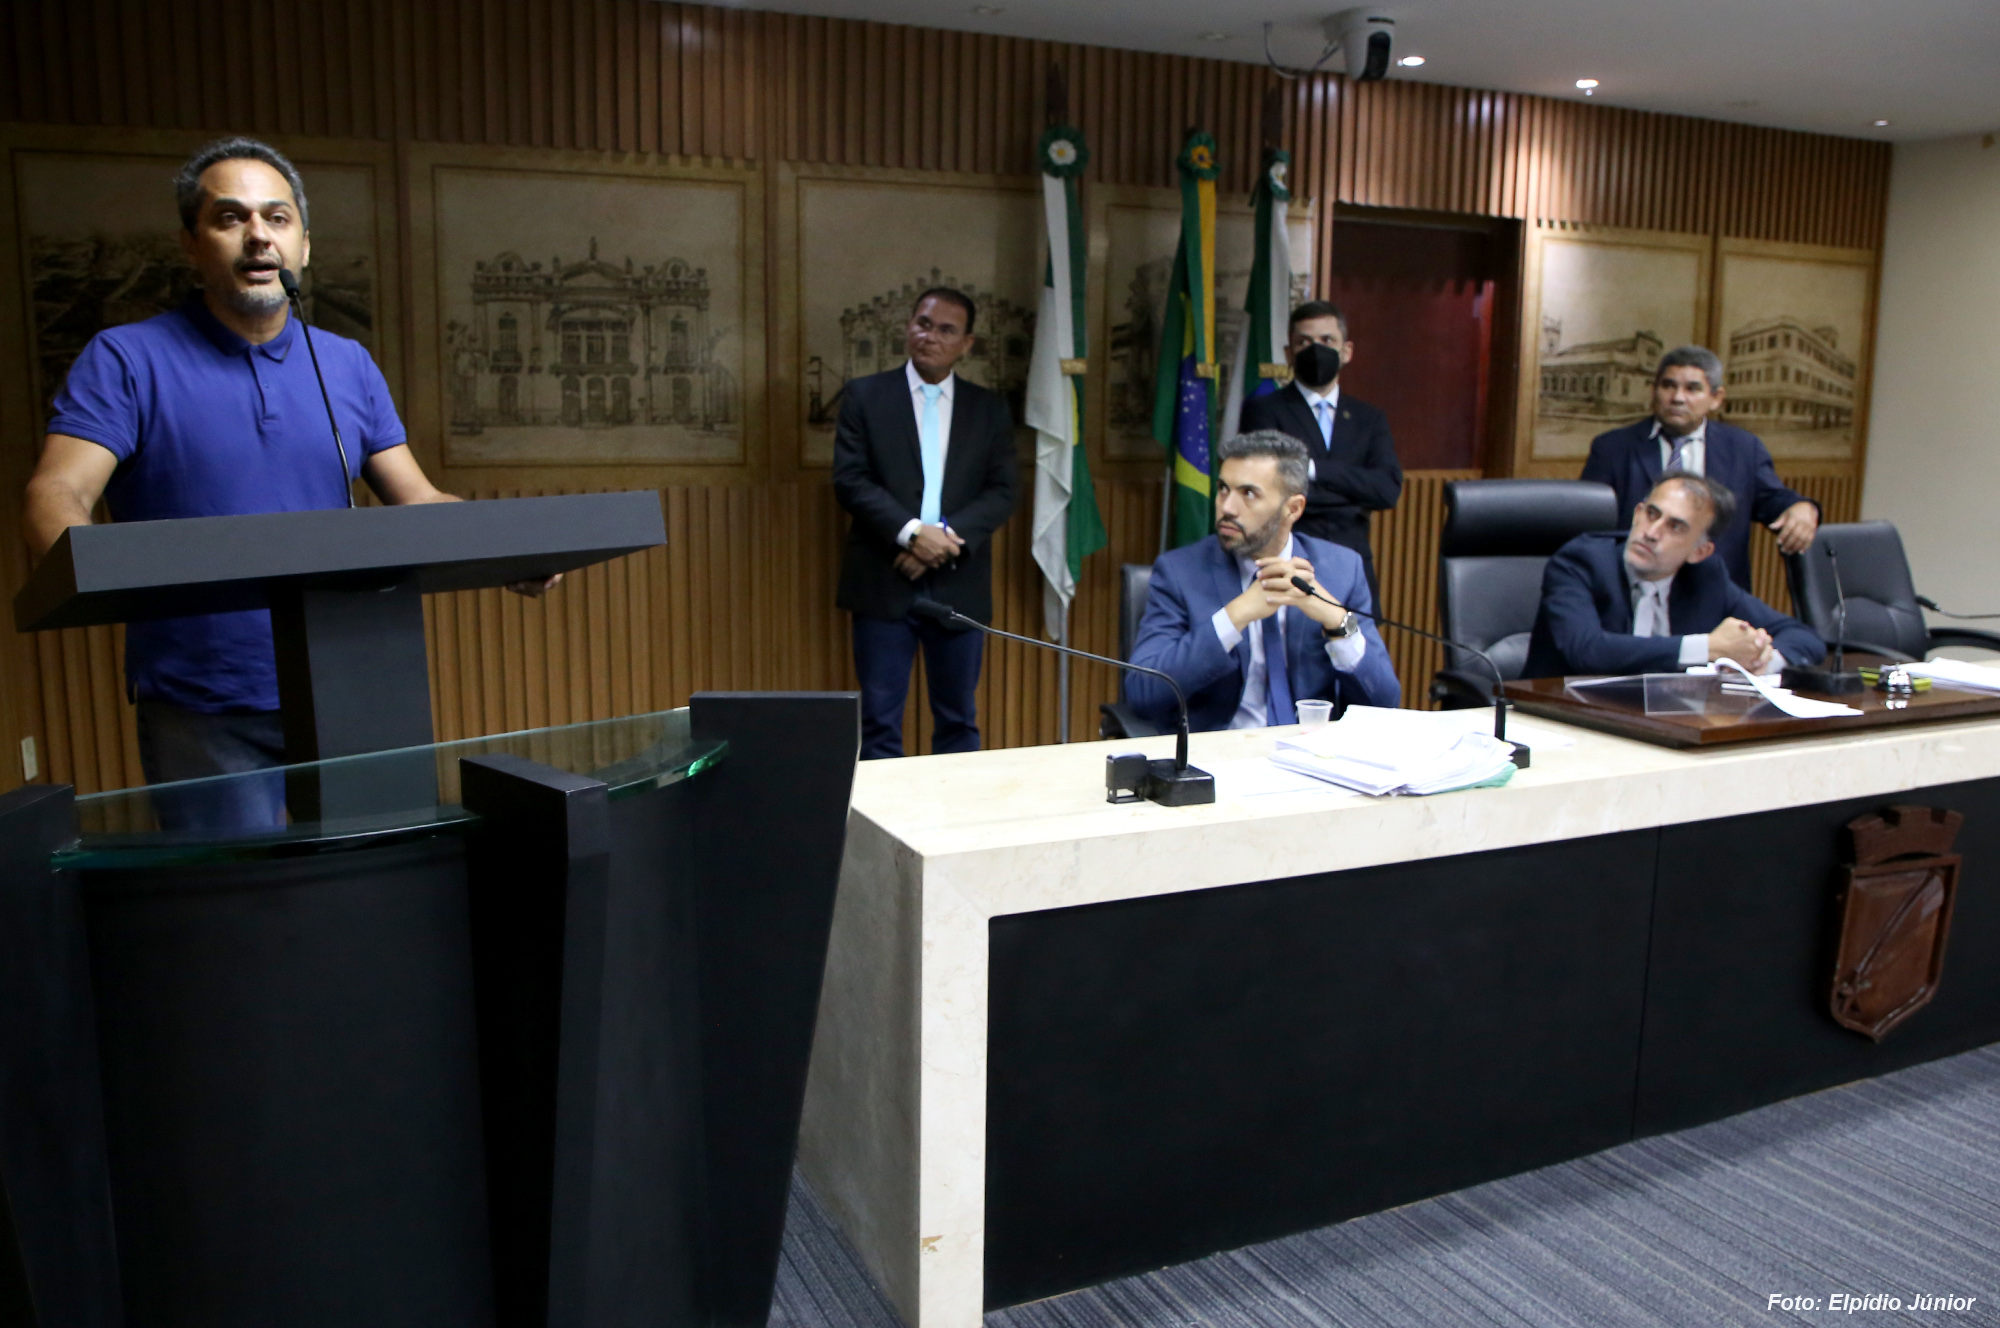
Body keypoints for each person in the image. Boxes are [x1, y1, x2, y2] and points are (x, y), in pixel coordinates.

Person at [20, 137, 549, 792]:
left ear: (302, 246)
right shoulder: (125, 359)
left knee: (380, 860)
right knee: (235, 867)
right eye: (229, 217)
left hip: (350, 679)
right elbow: (56, 489)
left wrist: (507, 548)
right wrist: (90, 571)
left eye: (277, 217)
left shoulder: (347, 364)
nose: (258, 236)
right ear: (190, 245)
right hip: (203, 703)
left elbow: (418, 501)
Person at [831, 288, 1019, 759]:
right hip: (883, 578)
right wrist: (914, 535)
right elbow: (851, 480)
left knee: (959, 719)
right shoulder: (865, 396)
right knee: (878, 722)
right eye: (923, 323)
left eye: (946, 330)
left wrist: (943, 542)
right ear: (908, 326)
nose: (929, 336)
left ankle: (957, 810)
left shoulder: (988, 408)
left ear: (967, 343)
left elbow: (1002, 491)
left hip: (959, 583)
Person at [1123, 430, 1401, 732]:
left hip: (1310, 751)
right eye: (1223, 489)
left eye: (1248, 494)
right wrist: (1235, 615)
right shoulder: (1180, 572)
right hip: (1220, 751)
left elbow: (1384, 702)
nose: (1227, 507)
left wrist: (1336, 620)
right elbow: (1143, 692)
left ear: (1293, 508)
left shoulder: (1342, 570)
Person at [1523, 472, 1824, 679]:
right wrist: (1710, 648)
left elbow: (1804, 637)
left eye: (1675, 526)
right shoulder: (1580, 563)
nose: (1652, 533)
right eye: (1651, 514)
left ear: (1700, 552)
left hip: (1666, 722)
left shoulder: (1707, 577)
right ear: (1637, 513)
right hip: (1563, 721)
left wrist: (1761, 660)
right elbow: (1588, 650)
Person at [1580, 344, 1818, 591]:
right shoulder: (1613, 448)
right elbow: (1587, 527)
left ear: (1716, 398)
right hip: (1630, 590)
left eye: (1692, 389)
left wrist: (1801, 507)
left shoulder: (1743, 449)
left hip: (1715, 593)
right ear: (1653, 391)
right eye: (1668, 386)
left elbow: (1774, 500)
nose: (1677, 398)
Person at [1235, 300, 1401, 605]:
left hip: (1353, 566)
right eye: (1304, 342)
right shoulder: (1263, 411)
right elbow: (1268, 491)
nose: (1316, 349)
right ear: (1289, 353)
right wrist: (1352, 492)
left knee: (1357, 636)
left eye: (1327, 340)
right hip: (1287, 565)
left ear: (1346, 351)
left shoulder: (1369, 419)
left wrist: (1310, 470)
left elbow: (1387, 490)